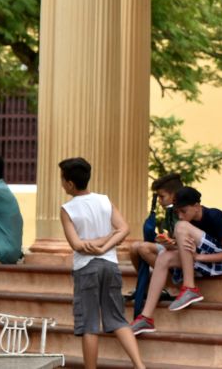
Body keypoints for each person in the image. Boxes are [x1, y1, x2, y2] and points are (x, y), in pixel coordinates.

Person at [58, 157, 145, 369]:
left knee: (89, 324)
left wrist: (96, 245)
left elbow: (76, 244)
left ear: (69, 183)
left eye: (62, 179)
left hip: (86, 269)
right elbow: (123, 228)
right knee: (117, 319)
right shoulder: (104, 200)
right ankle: (140, 366)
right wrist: (105, 244)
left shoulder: (67, 209)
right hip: (110, 265)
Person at [129, 187, 222, 335]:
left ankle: (189, 288)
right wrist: (170, 246)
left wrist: (198, 257)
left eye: (183, 211)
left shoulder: (214, 215)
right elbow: (189, 251)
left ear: (196, 206)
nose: (180, 216)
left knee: (180, 226)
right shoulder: (189, 221)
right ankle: (146, 318)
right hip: (204, 261)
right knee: (164, 257)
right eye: (177, 212)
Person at [126, 173, 183, 317]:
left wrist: (171, 243)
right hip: (172, 250)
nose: (159, 201)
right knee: (134, 247)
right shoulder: (169, 212)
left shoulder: (184, 211)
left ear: (174, 195)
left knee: (144, 248)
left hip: (187, 255)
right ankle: (146, 286)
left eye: (162, 197)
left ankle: (172, 287)